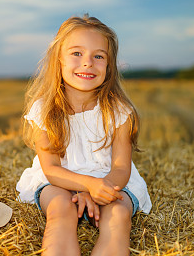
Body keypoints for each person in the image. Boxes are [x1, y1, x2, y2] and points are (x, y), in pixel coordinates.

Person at [16, 14, 152, 256]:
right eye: (76, 53)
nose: (88, 63)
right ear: (58, 59)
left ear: (109, 65)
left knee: (118, 215)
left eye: (98, 56)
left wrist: (98, 188)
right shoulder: (44, 110)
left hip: (109, 179)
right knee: (60, 209)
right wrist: (86, 185)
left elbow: (121, 168)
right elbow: (52, 170)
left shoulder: (120, 111)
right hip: (58, 181)